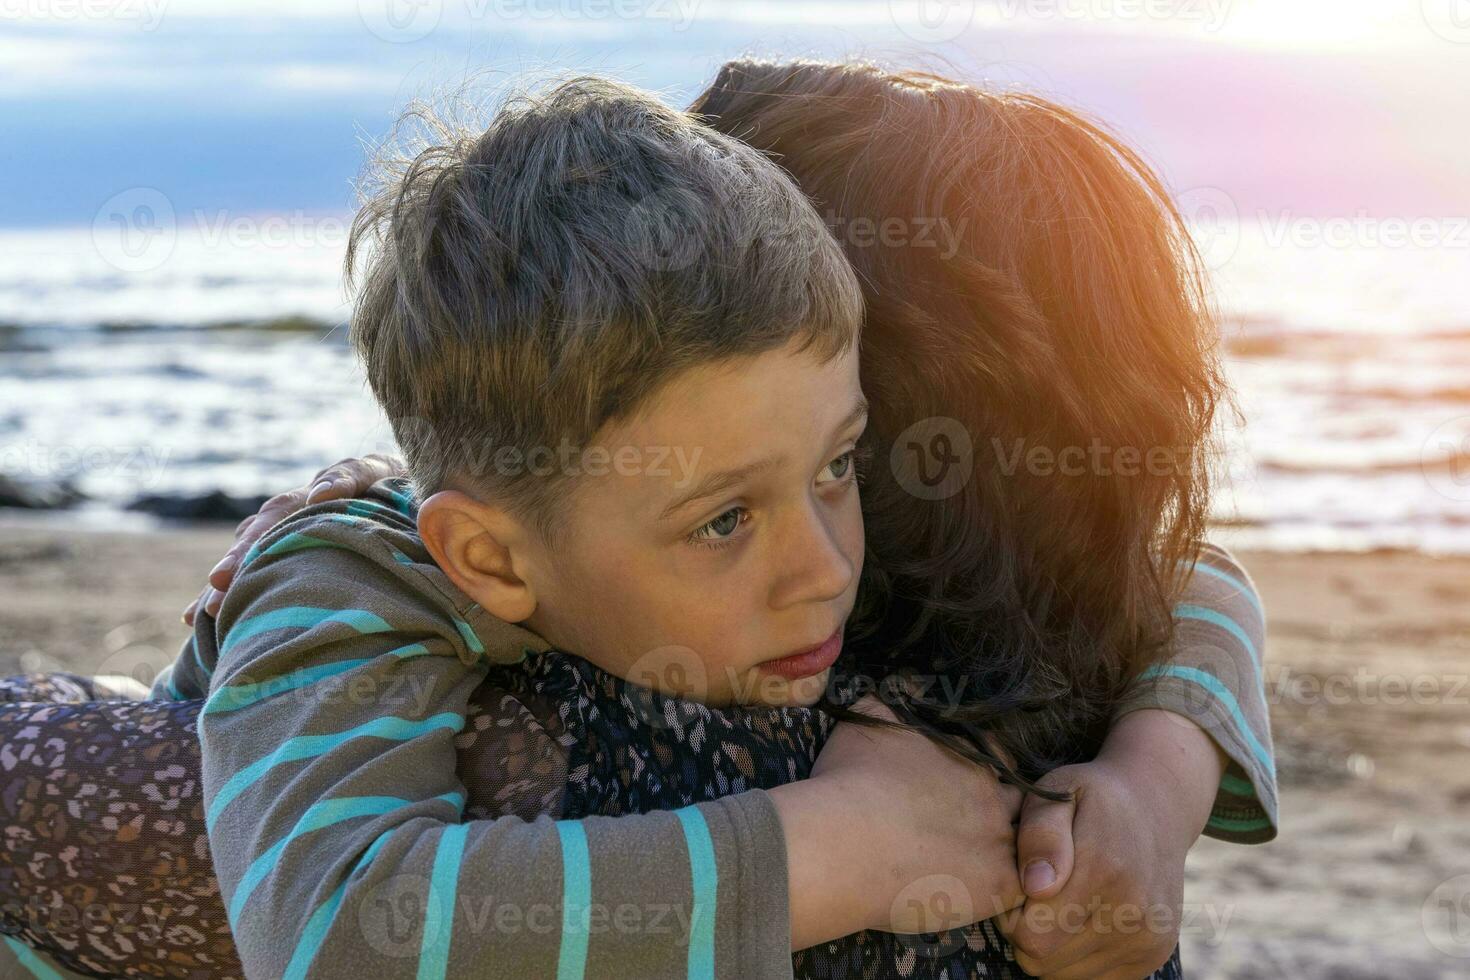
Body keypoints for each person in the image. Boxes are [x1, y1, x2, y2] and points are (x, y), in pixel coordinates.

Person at [0, 61, 1274, 980]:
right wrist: (837, 846)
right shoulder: (354, 579)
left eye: (844, 462)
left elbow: (1185, 574)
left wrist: (1153, 783)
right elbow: (340, 921)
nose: (823, 565)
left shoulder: (691, 538)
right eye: (726, 514)